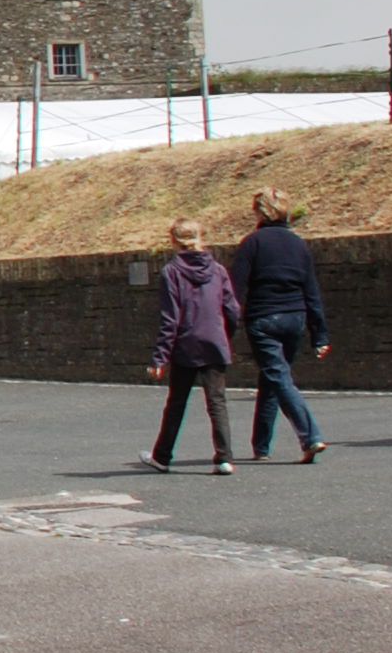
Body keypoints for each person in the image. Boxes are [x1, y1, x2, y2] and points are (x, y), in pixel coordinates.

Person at [229, 188, 330, 462]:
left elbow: (235, 290)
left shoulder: (252, 243)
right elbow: (312, 292)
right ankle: (261, 446)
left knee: (279, 377)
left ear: (260, 213)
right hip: (295, 319)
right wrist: (320, 334)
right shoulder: (298, 244)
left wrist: (228, 328)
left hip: (263, 318)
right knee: (273, 377)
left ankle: (310, 437)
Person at [140, 216, 242, 473]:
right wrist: (224, 334)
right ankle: (224, 458)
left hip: (186, 343)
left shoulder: (171, 272)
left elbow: (170, 318)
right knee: (217, 402)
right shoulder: (218, 270)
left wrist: (159, 357)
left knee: (176, 402)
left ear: (174, 241)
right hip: (214, 342)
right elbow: (231, 309)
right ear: (200, 238)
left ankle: (162, 457)